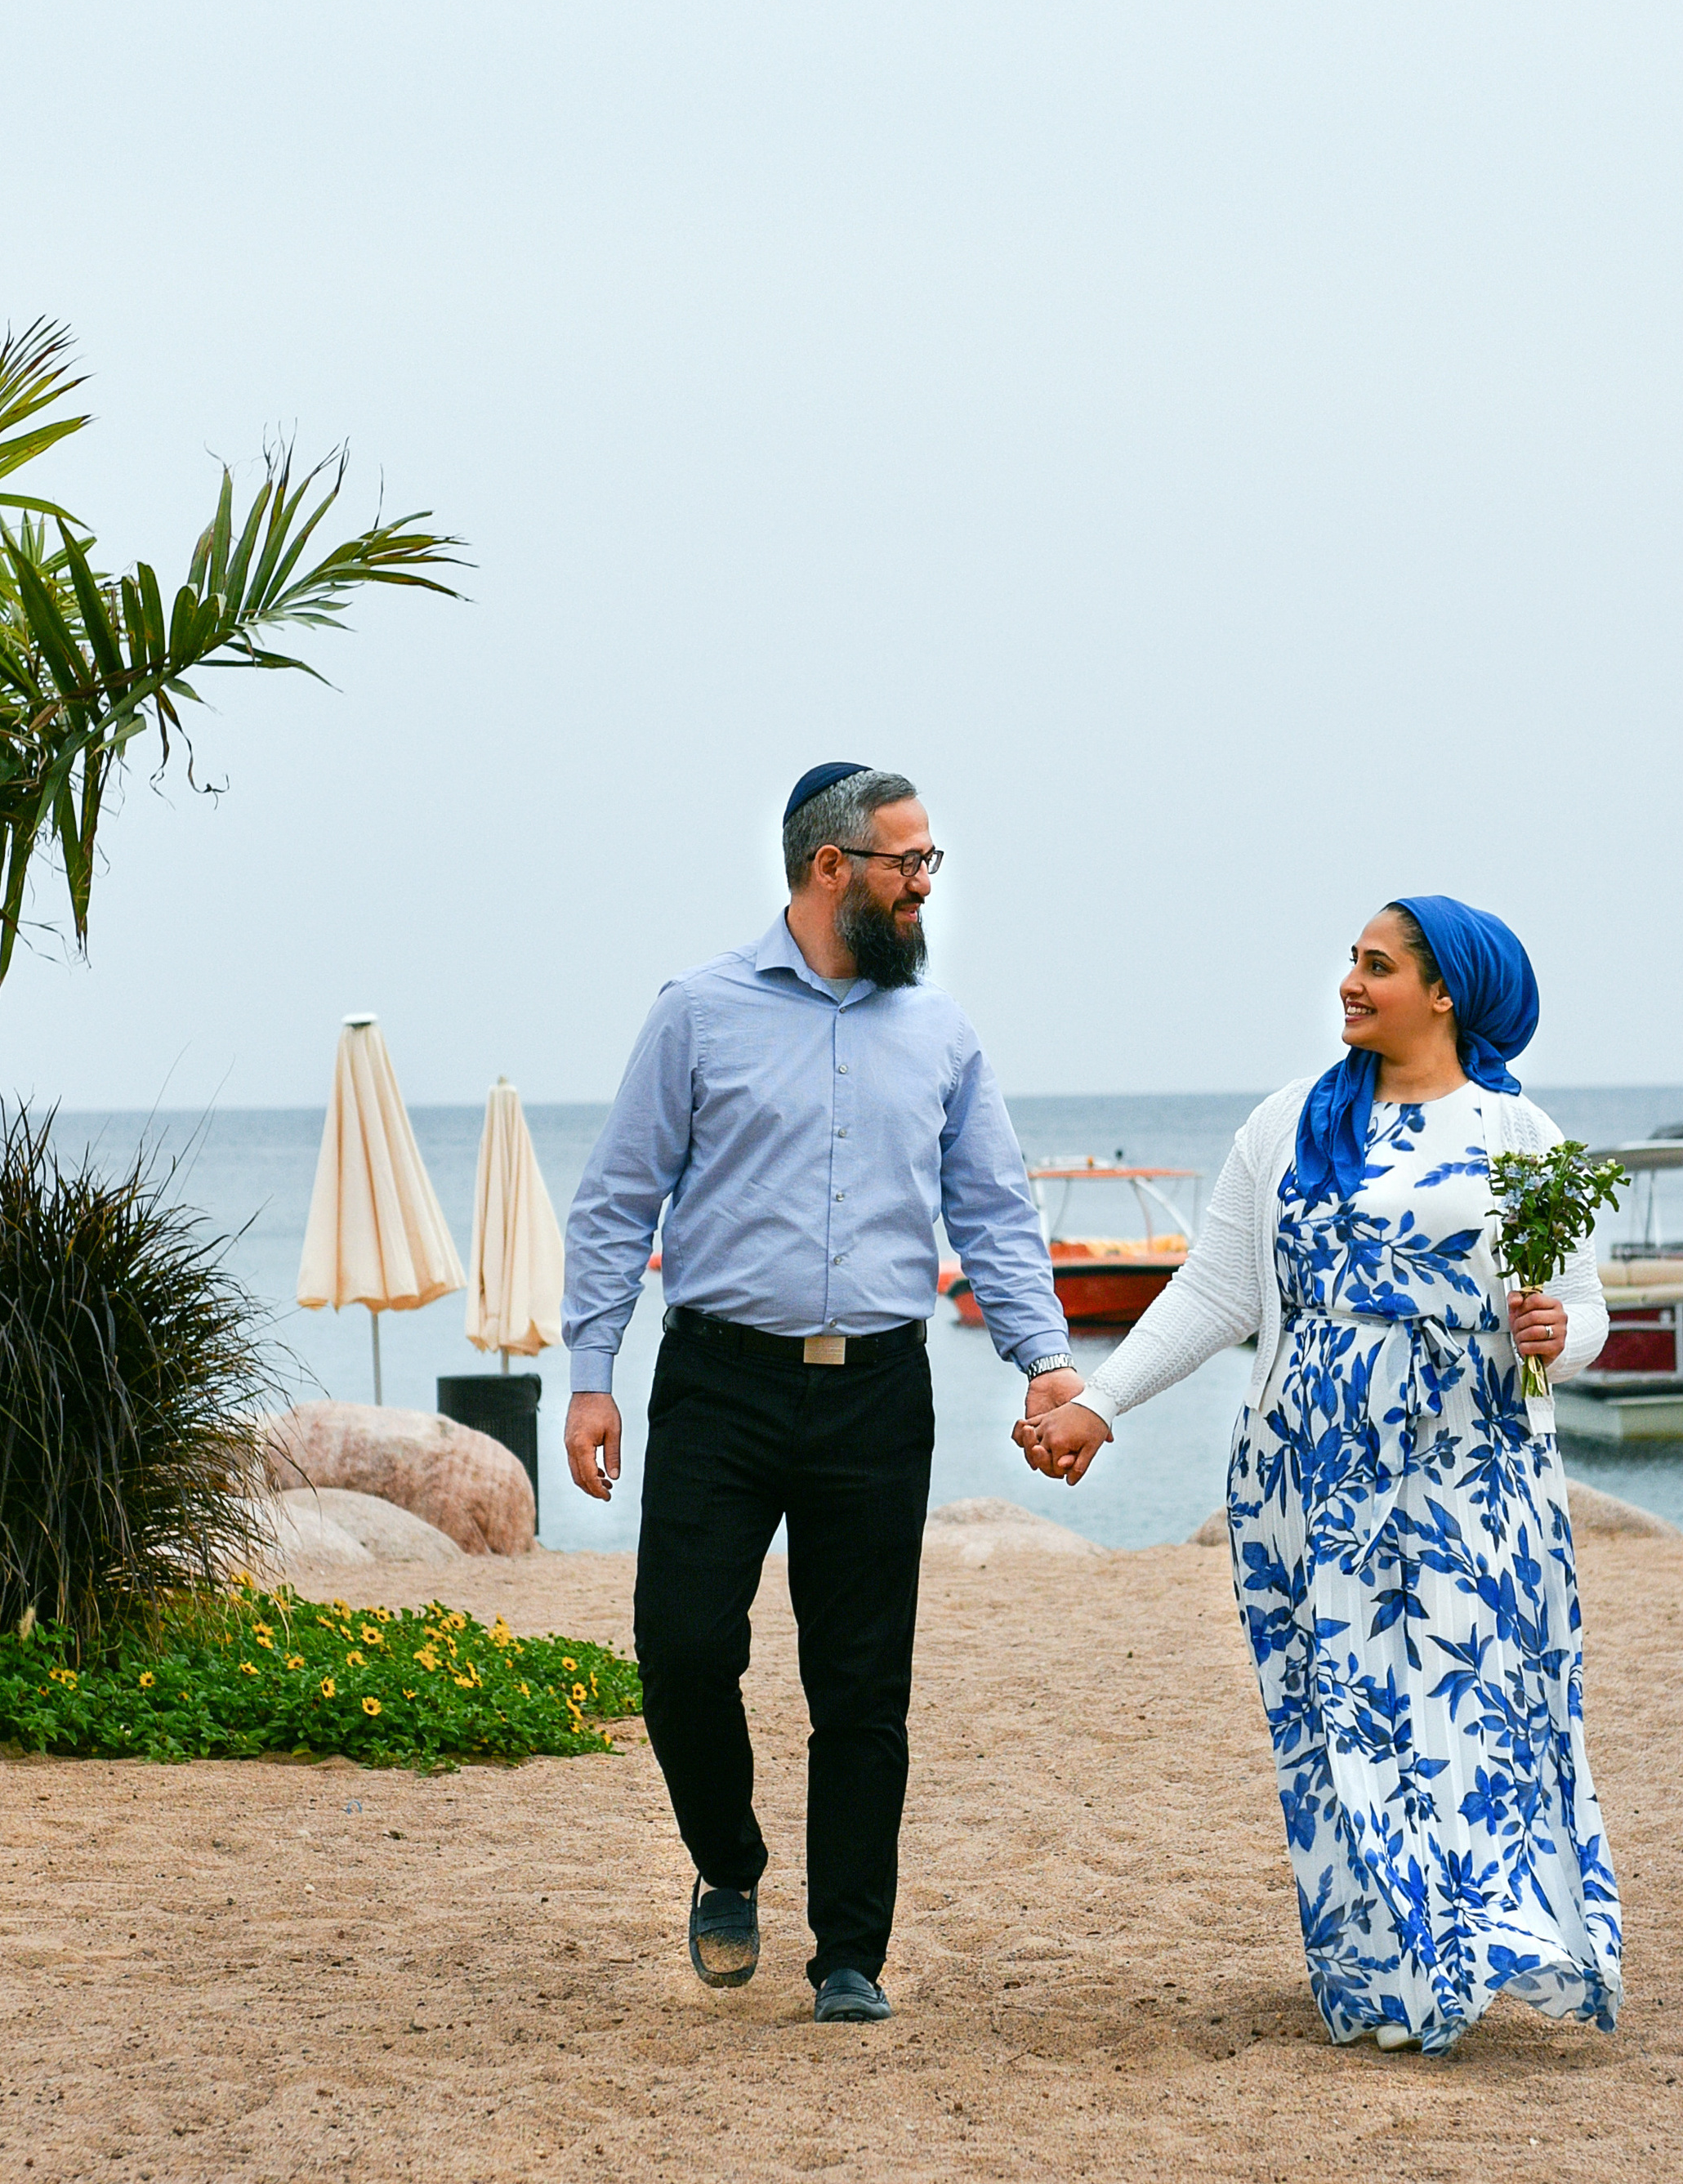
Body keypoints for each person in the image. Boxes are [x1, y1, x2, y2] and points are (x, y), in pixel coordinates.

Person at [1016, 896, 1621, 2060]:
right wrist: (1098, 1404)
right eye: (1352, 959)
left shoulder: (1516, 1135)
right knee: (1336, 1715)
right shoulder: (1290, 1124)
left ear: (1444, 994)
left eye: (1377, 965)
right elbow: (1216, 1294)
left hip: (1470, 1477)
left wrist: (1558, 1332)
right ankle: (1385, 1976)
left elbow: (1582, 1309)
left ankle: (1476, 1943)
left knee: (1462, 1713)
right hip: (1305, 1472)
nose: (1350, 981)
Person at [562, 764, 1083, 2024]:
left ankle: (850, 1951)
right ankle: (728, 1865)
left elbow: (997, 1214)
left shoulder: (943, 1037)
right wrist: (591, 1376)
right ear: (829, 868)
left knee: (862, 1684)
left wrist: (1047, 1360)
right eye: (908, 864)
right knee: (683, 1650)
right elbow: (618, 1198)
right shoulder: (698, 1013)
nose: (924, 888)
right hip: (720, 1386)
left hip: (878, 1397)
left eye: (928, 865)